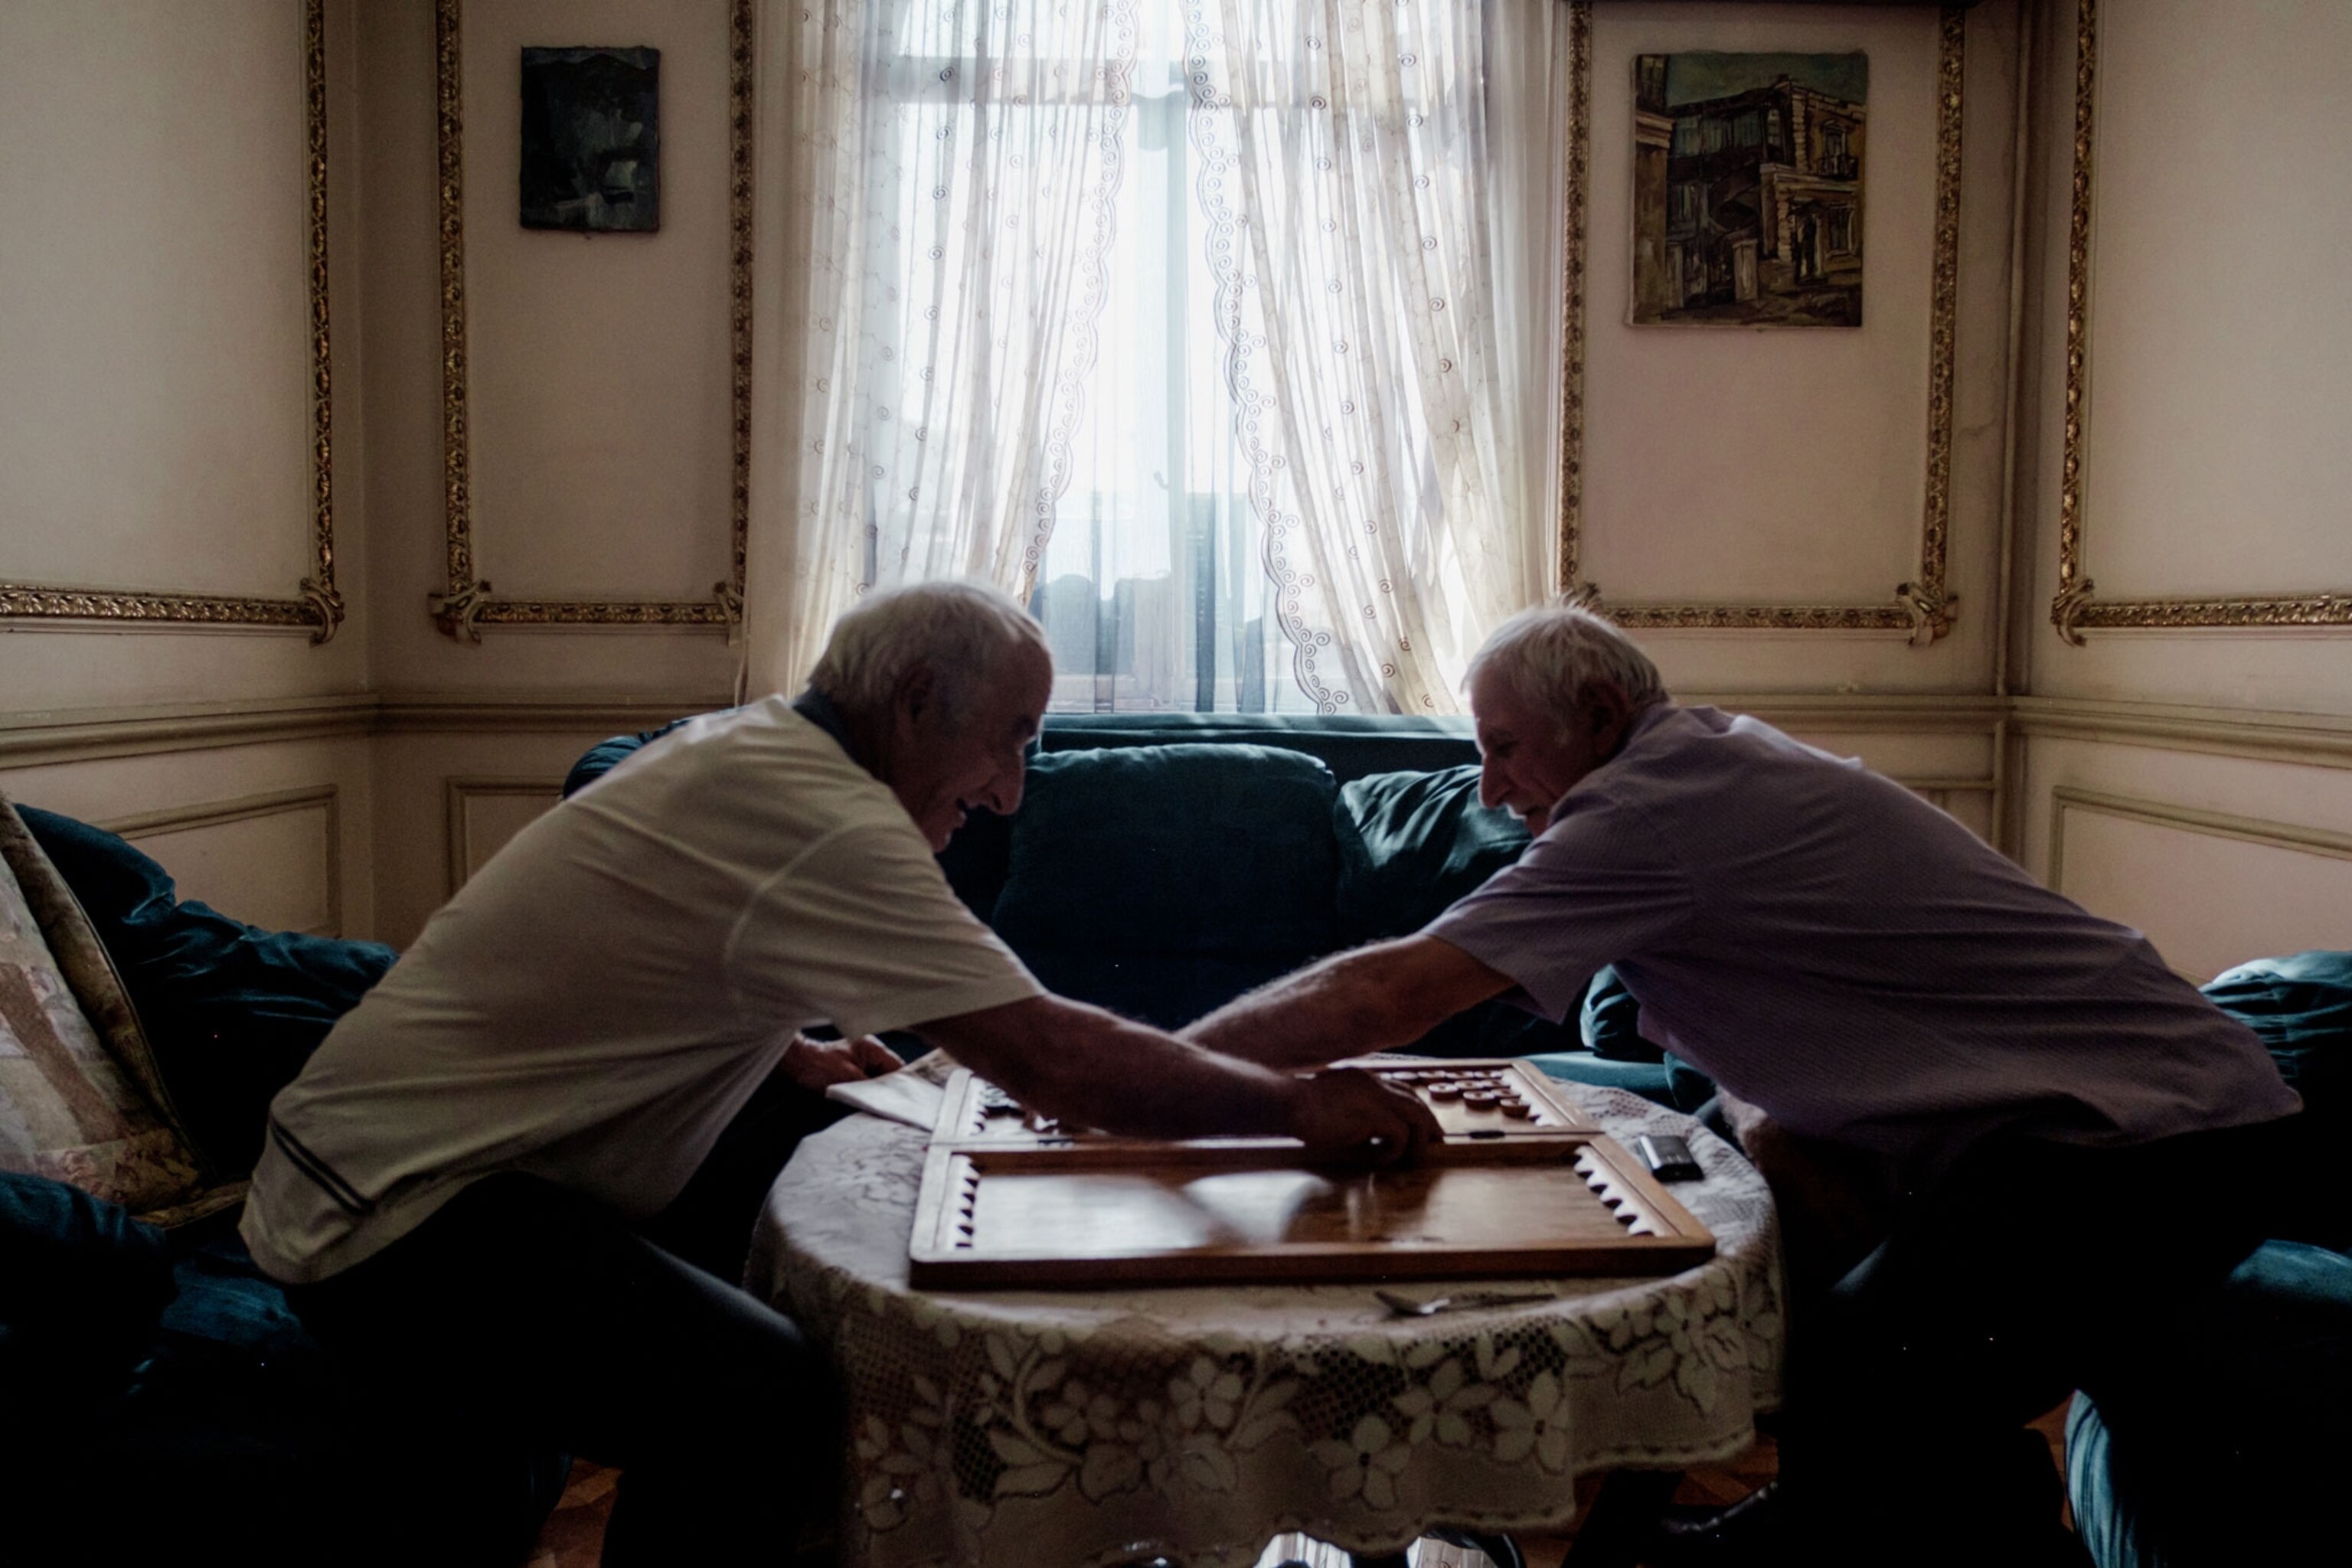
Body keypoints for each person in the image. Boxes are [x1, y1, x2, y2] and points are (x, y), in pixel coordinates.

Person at [240, 581, 1437, 1566]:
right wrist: (1293, 1105)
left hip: (382, 1159)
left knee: (834, 1202)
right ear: (916, 701)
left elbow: (647, 962)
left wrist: (789, 1049)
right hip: (392, 1218)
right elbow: (1058, 1062)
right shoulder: (824, 817)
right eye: (1012, 741)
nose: (1014, 790)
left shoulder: (751, 748)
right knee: (763, 1403)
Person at [1181, 604, 2302, 1567]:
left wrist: (1170, 1078)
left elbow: (1393, 992)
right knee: (1861, 1333)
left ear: (1602, 718)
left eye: (1508, 746)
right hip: (2131, 1120)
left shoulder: (1650, 813)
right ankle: (1812, 1528)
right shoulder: (1698, 764)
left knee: (1864, 1370)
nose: (1490, 784)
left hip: (2158, 1141)